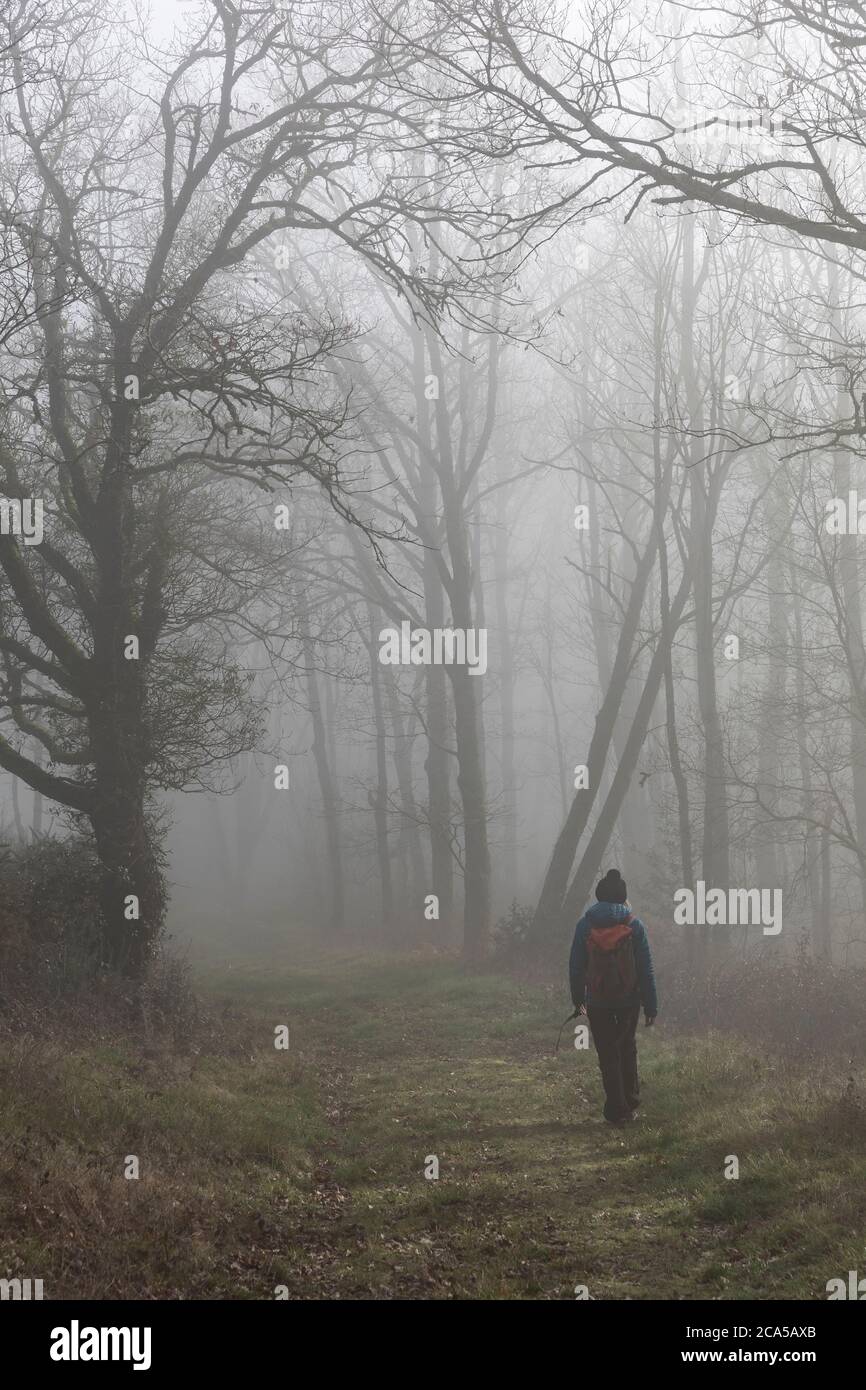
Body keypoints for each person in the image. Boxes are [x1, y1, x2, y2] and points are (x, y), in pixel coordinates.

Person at [568, 867, 658, 1126]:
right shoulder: (634, 925)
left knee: (607, 1053)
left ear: (599, 896)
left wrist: (579, 1000)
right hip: (629, 1000)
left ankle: (617, 1109)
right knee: (627, 1048)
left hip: (597, 1001)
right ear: (622, 897)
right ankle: (630, 1103)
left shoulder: (585, 925)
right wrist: (651, 1006)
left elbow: (576, 965)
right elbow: (645, 968)